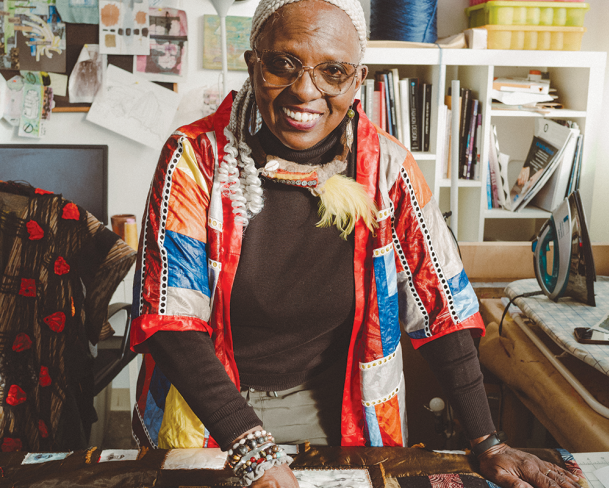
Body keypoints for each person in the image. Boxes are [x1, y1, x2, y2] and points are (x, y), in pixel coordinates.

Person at [129, 0, 582, 487]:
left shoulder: (387, 169)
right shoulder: (194, 158)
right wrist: (252, 449)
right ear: (252, 63)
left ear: (357, 79)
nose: (306, 90)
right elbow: (170, 318)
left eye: (333, 71)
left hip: (336, 405)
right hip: (206, 409)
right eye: (283, 63)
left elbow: (441, 307)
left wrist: (487, 441)